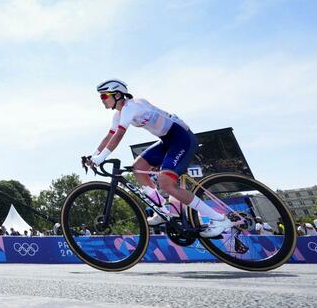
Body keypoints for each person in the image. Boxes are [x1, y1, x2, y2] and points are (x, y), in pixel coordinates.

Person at [85, 79, 234, 238]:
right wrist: (93, 156)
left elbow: (119, 135)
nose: (102, 100)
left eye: (104, 96)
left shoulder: (132, 106)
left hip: (182, 138)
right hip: (167, 140)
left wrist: (102, 157)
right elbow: (110, 135)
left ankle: (219, 219)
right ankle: (165, 211)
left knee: (166, 183)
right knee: (138, 168)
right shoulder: (119, 114)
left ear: (118, 94)